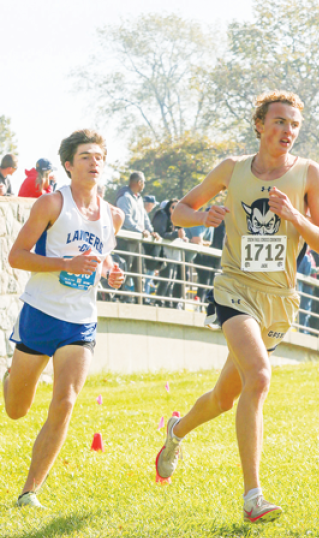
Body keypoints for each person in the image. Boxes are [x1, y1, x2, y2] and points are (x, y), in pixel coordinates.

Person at [155, 90, 319, 523]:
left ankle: (175, 431)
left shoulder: (309, 174)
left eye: (293, 124)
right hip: (234, 288)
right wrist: (204, 218)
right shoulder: (231, 169)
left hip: (280, 300)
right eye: (279, 122)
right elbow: (179, 211)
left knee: (224, 397)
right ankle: (253, 496)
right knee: (259, 375)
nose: (287, 131)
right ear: (259, 125)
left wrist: (296, 217)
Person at [3, 129, 125, 508]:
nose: (94, 162)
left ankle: (29, 492)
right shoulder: (51, 205)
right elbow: (17, 256)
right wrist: (65, 264)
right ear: (69, 165)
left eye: (99, 157)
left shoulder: (113, 215)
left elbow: (102, 256)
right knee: (16, 409)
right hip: (41, 312)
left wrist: (111, 271)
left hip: (80, 320)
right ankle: (12, 377)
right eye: (86, 156)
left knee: (66, 401)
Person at [116, 172, 160, 302]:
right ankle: (120, 298)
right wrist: (140, 230)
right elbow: (126, 219)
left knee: (139, 271)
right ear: (139, 182)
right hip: (126, 241)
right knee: (125, 269)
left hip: (137, 240)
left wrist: (151, 231)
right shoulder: (125, 197)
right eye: (144, 182)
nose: (144, 185)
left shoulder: (138, 198)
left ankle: (139, 300)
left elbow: (144, 217)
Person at [152, 199, 188, 306]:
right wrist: (177, 235)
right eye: (173, 207)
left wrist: (182, 237)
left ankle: (167, 302)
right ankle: (159, 301)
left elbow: (177, 234)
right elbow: (161, 233)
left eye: (177, 208)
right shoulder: (162, 215)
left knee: (171, 278)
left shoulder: (177, 219)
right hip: (164, 252)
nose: (175, 210)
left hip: (173, 253)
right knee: (166, 278)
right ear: (168, 207)